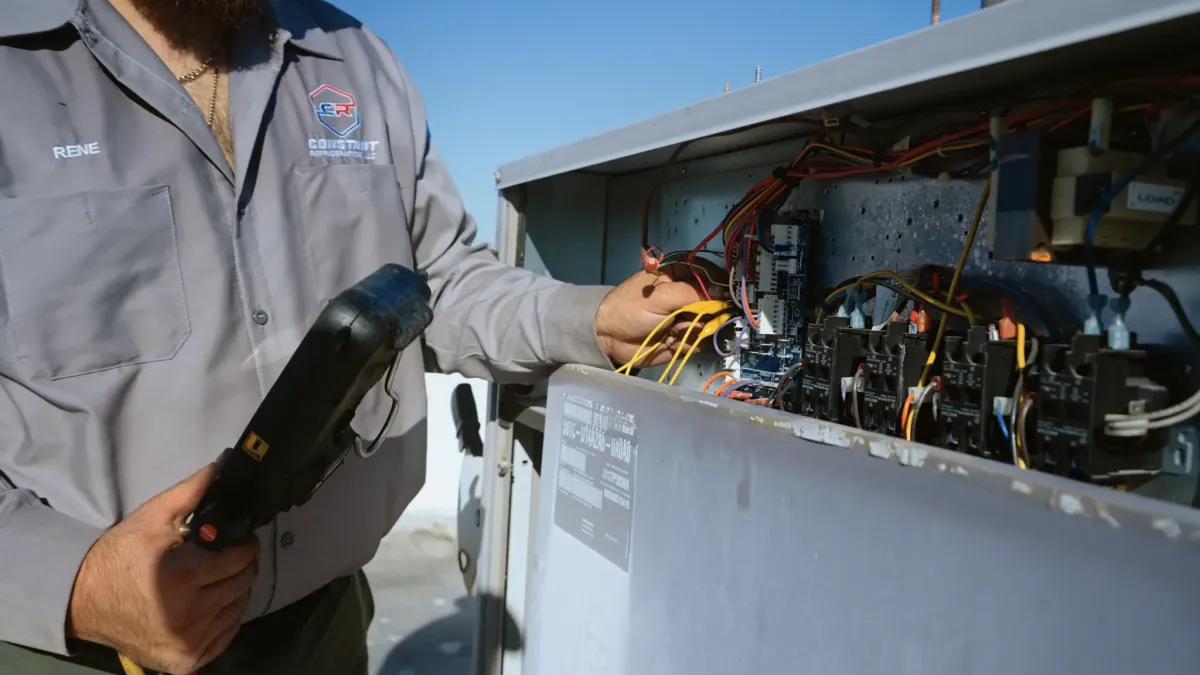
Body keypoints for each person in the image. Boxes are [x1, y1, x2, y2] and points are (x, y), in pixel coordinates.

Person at [0, 0, 715, 672]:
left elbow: (441, 281)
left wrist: (590, 320)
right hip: (82, 644)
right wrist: (79, 582)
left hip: (325, 630)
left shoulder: (354, 61)